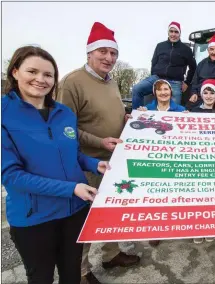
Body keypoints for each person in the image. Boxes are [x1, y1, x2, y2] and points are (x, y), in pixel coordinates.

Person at [2, 45, 110, 284]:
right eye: (32, 71)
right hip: (35, 218)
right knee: (41, 277)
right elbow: (11, 176)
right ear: (15, 72)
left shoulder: (64, 113)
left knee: (71, 274)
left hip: (74, 210)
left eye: (48, 74)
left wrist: (95, 164)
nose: (40, 79)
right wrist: (70, 188)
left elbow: (74, 154)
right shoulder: (4, 114)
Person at [56, 22, 140, 284]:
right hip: (86, 163)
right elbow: (64, 128)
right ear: (89, 52)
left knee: (110, 212)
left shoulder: (111, 81)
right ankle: (79, 271)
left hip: (112, 160)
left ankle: (111, 254)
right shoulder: (72, 83)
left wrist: (126, 119)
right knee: (84, 219)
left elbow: (108, 114)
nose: (109, 58)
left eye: (113, 53)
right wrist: (99, 141)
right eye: (103, 51)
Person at [131, 22, 196, 108]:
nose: (173, 34)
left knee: (174, 108)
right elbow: (154, 62)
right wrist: (154, 76)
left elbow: (193, 67)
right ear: (168, 32)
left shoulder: (186, 50)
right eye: (171, 31)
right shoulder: (160, 46)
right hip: (157, 78)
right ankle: (136, 115)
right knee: (137, 89)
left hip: (175, 82)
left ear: (179, 33)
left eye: (176, 32)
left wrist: (187, 82)